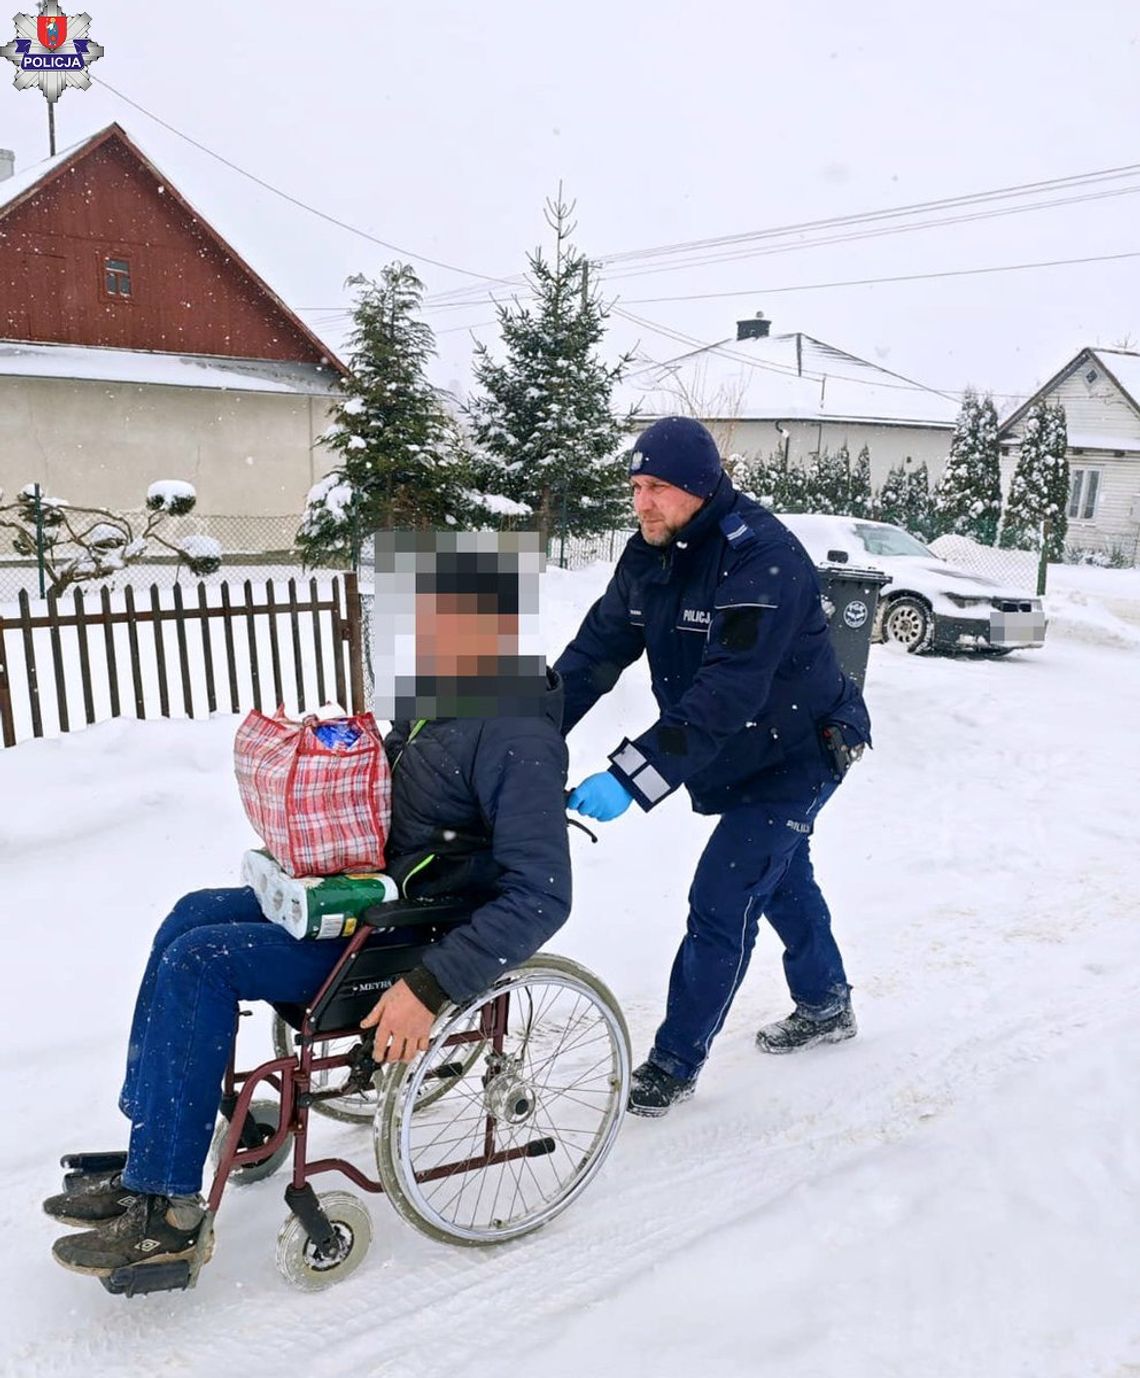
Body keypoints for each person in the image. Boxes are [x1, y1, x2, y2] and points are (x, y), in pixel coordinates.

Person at [46, 551, 571, 1277]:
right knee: (189, 917)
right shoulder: (442, 702)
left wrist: (430, 987)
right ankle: (154, 1144)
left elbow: (542, 893)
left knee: (201, 961)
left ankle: (168, 1210)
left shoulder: (517, 736)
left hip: (408, 939)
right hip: (366, 898)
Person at [556, 416, 870, 1117]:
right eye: (635, 487)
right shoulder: (651, 552)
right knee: (778, 875)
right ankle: (826, 1002)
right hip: (738, 748)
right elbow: (596, 653)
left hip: (801, 750)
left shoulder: (761, 558)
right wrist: (528, 732)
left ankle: (674, 1063)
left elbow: (727, 692)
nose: (642, 503)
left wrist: (631, 777)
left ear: (699, 486)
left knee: (724, 895)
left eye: (658, 488)